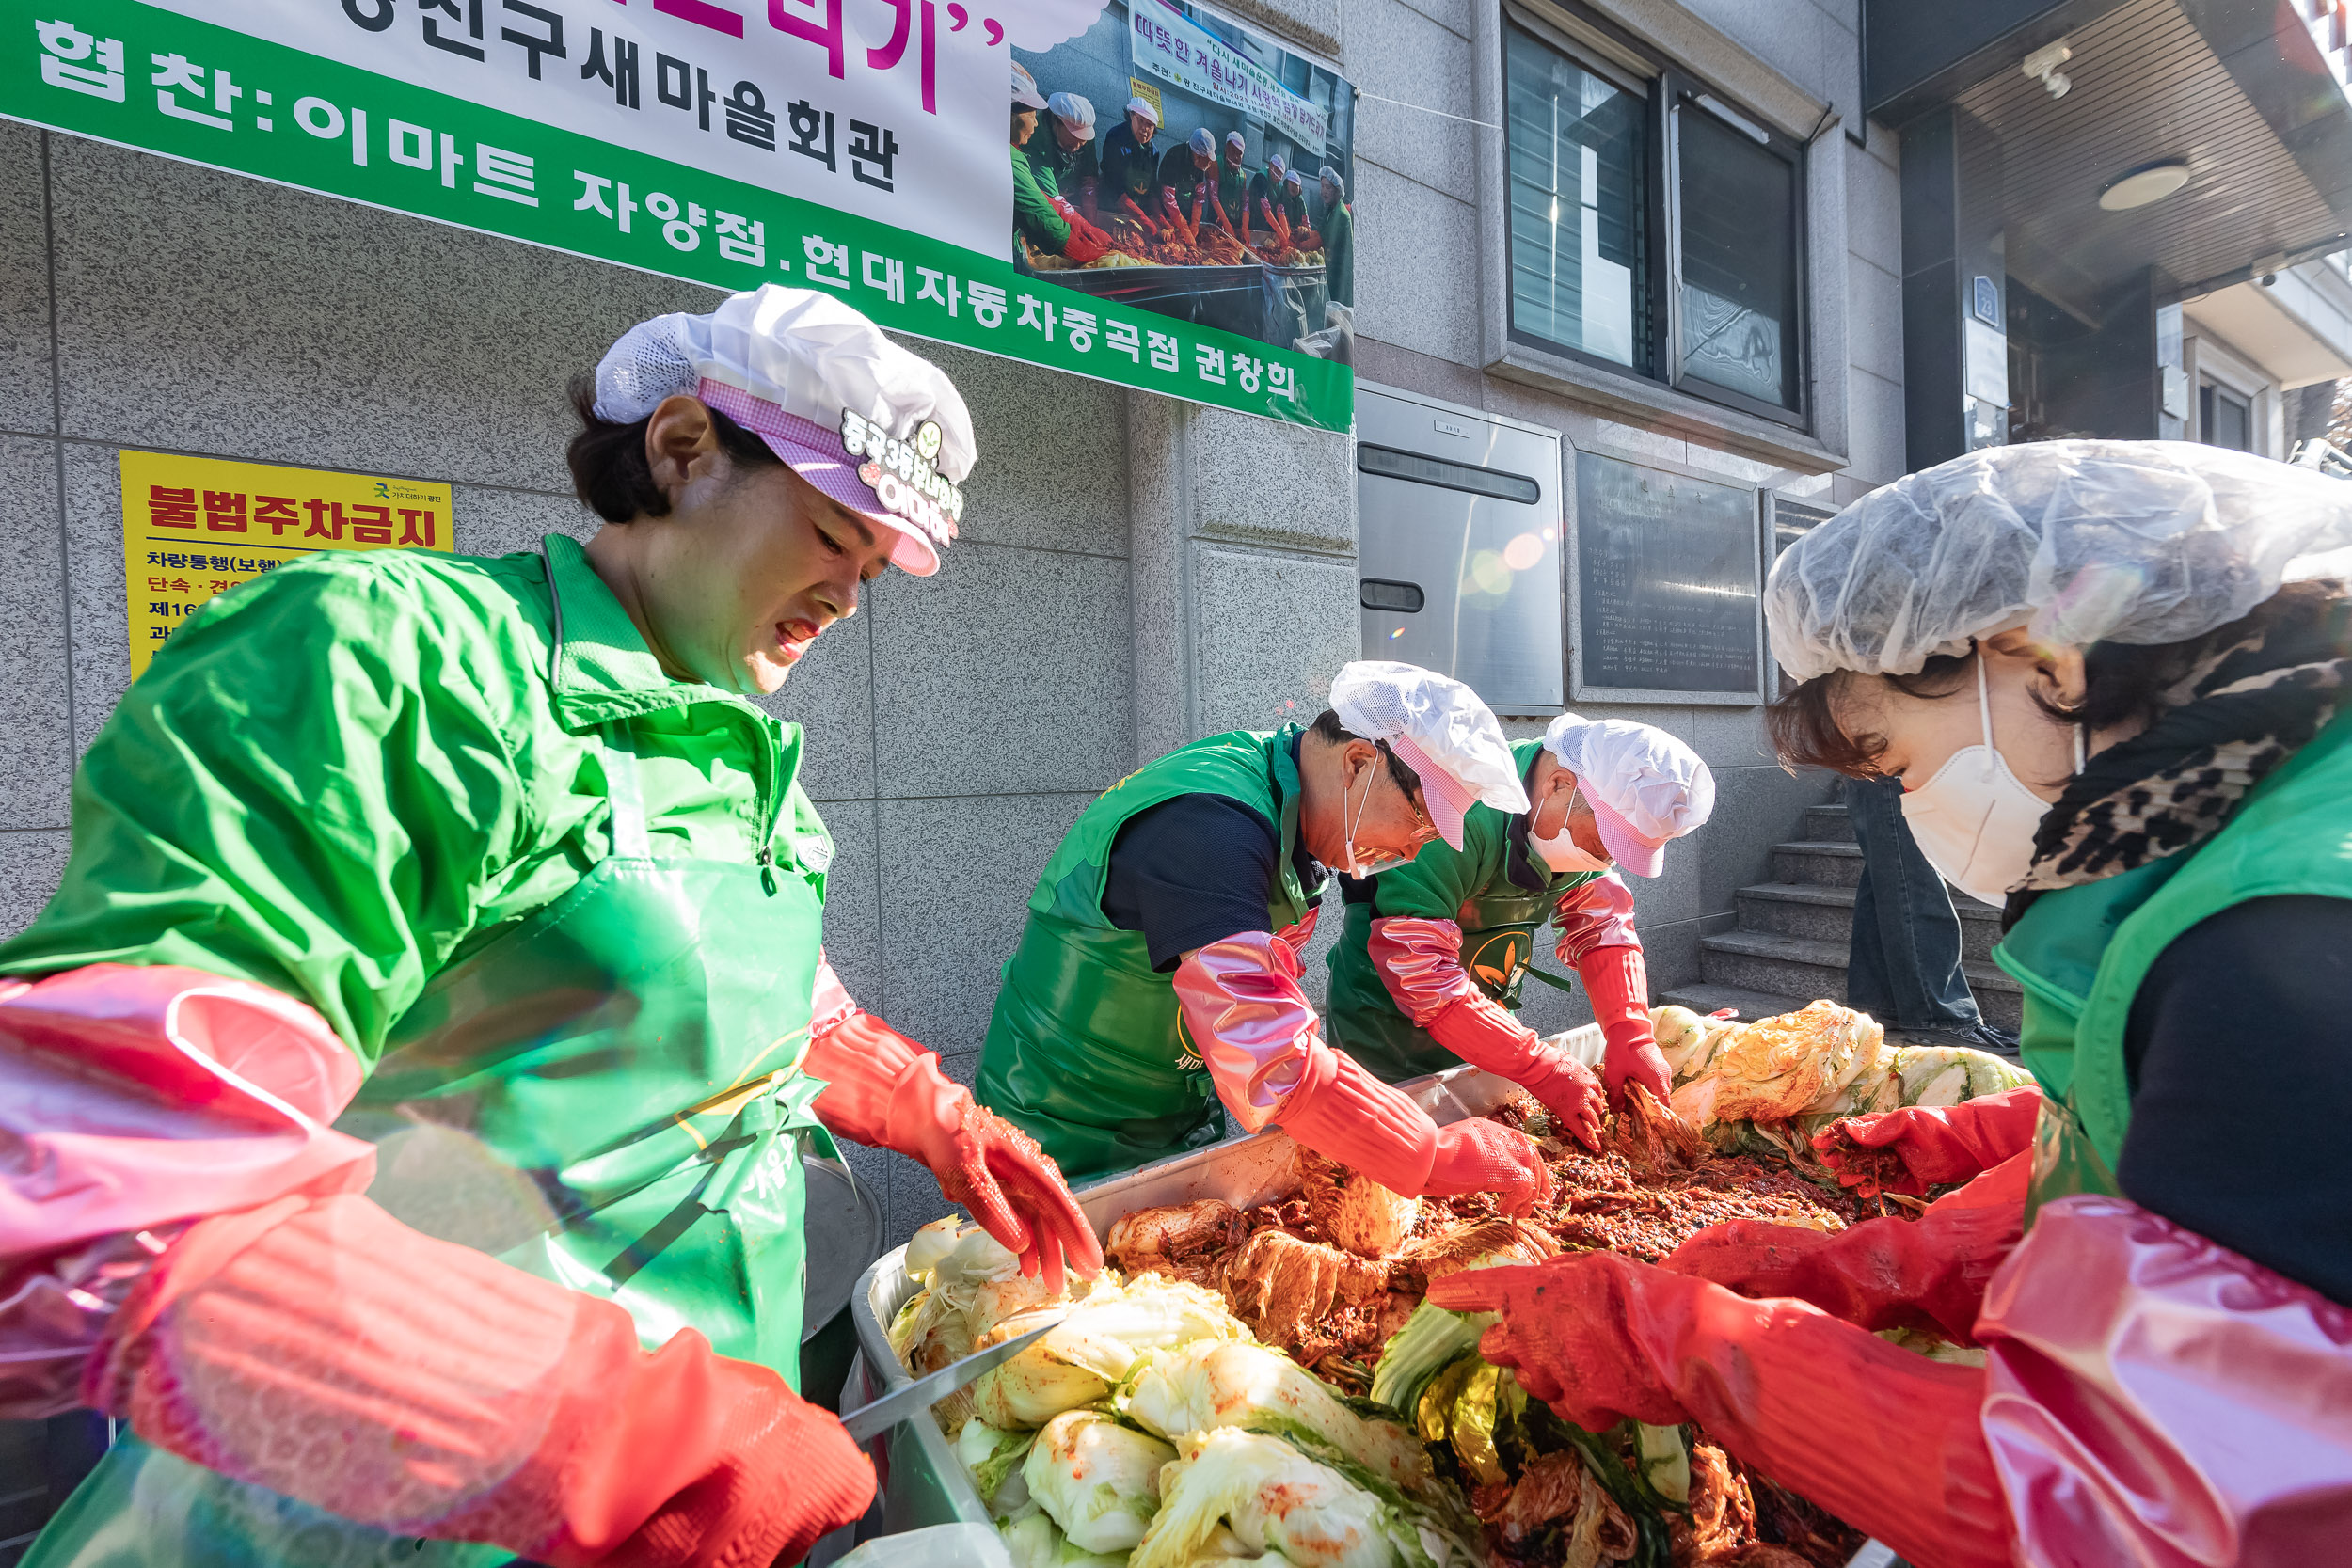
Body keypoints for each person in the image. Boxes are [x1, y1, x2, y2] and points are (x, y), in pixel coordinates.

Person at [0, 286, 1103, 1568]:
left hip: (686, 1497)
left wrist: (921, 1102)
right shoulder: (398, 662)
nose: (845, 600)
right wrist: (643, 1439)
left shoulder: (732, 735)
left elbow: (744, 994)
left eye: (870, 570)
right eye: (827, 534)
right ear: (683, 450)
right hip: (394, 1512)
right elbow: (107, 1179)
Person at [1432, 441, 2352, 1568]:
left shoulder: (2281, 928)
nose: (1911, 807)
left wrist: (1688, 1343)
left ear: (2020, 651)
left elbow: (2129, 1507)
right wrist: (1911, 1243)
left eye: (1895, 760)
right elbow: (2197, 1174)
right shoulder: (2263, 819)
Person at [976, 662, 1558, 1213]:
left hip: (1173, 1116)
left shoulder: (1296, 807)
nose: (1412, 852)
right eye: (1421, 825)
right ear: (1358, 763)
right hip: (1058, 1126)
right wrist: (1435, 1155)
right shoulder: (1210, 823)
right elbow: (1272, 1057)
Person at [1324, 715, 1713, 1148]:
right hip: (1383, 1030)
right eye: (1603, 847)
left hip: (1486, 1027)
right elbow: (1421, 971)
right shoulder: (1459, 809)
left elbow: (1603, 924)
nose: (1603, 863)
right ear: (1559, 785)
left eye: (1616, 854)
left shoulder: (1571, 822)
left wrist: (1630, 1031)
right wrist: (1539, 1067)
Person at [1843, 773, 2017, 1051]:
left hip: (1872, 757)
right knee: (1913, 879)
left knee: (1890, 874)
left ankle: (1882, 1002)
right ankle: (1940, 1016)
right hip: (1888, 759)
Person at [1010, 66, 1109, 264]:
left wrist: (1086, 226)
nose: (1034, 123)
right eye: (1030, 115)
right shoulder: (1022, 149)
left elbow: (1047, 199)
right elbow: (1037, 207)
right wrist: (1081, 250)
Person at [1025, 89, 1100, 214]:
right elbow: (1051, 196)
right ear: (1056, 121)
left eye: (1082, 141)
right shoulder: (1036, 138)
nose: (1077, 145)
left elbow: (1089, 179)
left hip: (1072, 199)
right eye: (1073, 137)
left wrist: (1092, 222)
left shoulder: (1085, 138)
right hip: (1043, 200)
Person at [1097, 95, 1161, 228]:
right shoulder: (1115, 137)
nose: (1145, 128)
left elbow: (1152, 190)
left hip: (1137, 211)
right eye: (1141, 120)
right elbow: (1113, 184)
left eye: (1150, 125)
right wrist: (1142, 218)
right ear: (1131, 115)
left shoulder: (1153, 152)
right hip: (1109, 208)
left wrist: (1160, 219)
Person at [1155, 126, 1219, 230]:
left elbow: (1199, 199)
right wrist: (1184, 227)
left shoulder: (1200, 167)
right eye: (1208, 159)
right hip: (1166, 220)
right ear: (1198, 156)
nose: (1210, 163)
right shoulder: (1174, 156)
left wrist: (1194, 224)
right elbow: (1168, 198)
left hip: (1186, 218)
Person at [1317, 166, 1353, 309]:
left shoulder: (1341, 215)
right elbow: (1319, 232)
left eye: (1328, 188)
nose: (1323, 191)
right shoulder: (1330, 210)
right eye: (1322, 187)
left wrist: (1297, 245)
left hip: (1340, 277)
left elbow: (1320, 240)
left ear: (1337, 191)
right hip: (1331, 272)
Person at [1215, 130, 1251, 232]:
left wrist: (1244, 227)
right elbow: (1214, 198)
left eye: (1239, 154)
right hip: (1218, 225)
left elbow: (1245, 203)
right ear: (1226, 148)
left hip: (1236, 226)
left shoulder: (1243, 175)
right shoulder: (1216, 164)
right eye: (1232, 151)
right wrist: (1226, 223)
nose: (1235, 156)